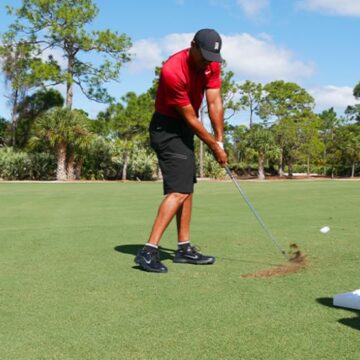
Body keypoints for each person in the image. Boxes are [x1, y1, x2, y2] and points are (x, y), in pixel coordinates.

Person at [135, 28, 228, 273]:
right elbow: (189, 118)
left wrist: (220, 140)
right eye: (204, 55)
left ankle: (183, 248)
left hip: (185, 127)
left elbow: (214, 101)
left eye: (212, 57)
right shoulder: (172, 70)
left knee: (187, 187)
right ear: (192, 45)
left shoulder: (212, 63)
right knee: (178, 190)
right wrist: (212, 147)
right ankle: (148, 251)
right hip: (167, 128)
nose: (208, 61)